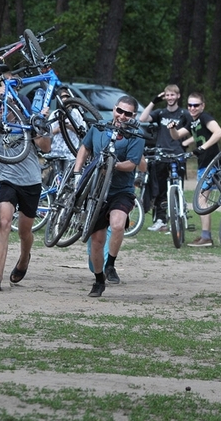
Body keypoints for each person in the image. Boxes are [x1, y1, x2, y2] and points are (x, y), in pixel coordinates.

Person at [0, 85, 52, 291]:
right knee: (4, 223)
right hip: (7, 180)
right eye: (6, 105)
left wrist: (39, 126)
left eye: (13, 105)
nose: (8, 109)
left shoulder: (31, 122)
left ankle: (25, 257)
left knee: (25, 231)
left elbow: (46, 147)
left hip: (31, 182)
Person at [77, 96, 145, 297]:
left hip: (120, 191)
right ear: (114, 109)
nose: (122, 116)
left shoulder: (136, 136)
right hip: (96, 190)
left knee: (117, 224)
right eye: (120, 111)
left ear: (133, 116)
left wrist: (112, 165)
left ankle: (111, 263)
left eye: (128, 114)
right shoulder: (99, 127)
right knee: (96, 241)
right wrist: (76, 172)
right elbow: (85, 147)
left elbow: (132, 164)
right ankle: (99, 280)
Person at [172, 92, 221, 247]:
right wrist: (171, 128)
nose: (192, 108)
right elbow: (176, 135)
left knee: (202, 199)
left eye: (196, 105)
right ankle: (210, 235)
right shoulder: (193, 122)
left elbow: (219, 133)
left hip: (211, 162)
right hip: (204, 164)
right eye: (190, 105)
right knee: (210, 197)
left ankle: (206, 237)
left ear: (203, 106)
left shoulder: (205, 117)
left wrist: (202, 147)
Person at [139, 84, 191, 233]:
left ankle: (177, 219)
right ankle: (160, 220)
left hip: (178, 155)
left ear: (178, 96)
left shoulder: (184, 114)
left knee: (177, 187)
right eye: (167, 95)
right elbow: (143, 118)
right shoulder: (160, 113)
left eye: (172, 95)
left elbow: (193, 129)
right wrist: (154, 100)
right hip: (161, 155)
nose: (169, 98)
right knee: (160, 190)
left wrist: (187, 143)